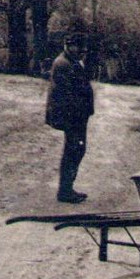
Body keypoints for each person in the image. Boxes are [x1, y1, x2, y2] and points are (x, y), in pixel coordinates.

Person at [45, 33, 94, 204]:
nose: (83, 51)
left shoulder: (69, 62)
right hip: (72, 116)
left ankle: (67, 188)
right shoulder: (63, 64)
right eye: (79, 48)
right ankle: (65, 191)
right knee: (74, 150)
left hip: (76, 116)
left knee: (76, 150)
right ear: (69, 46)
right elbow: (69, 94)